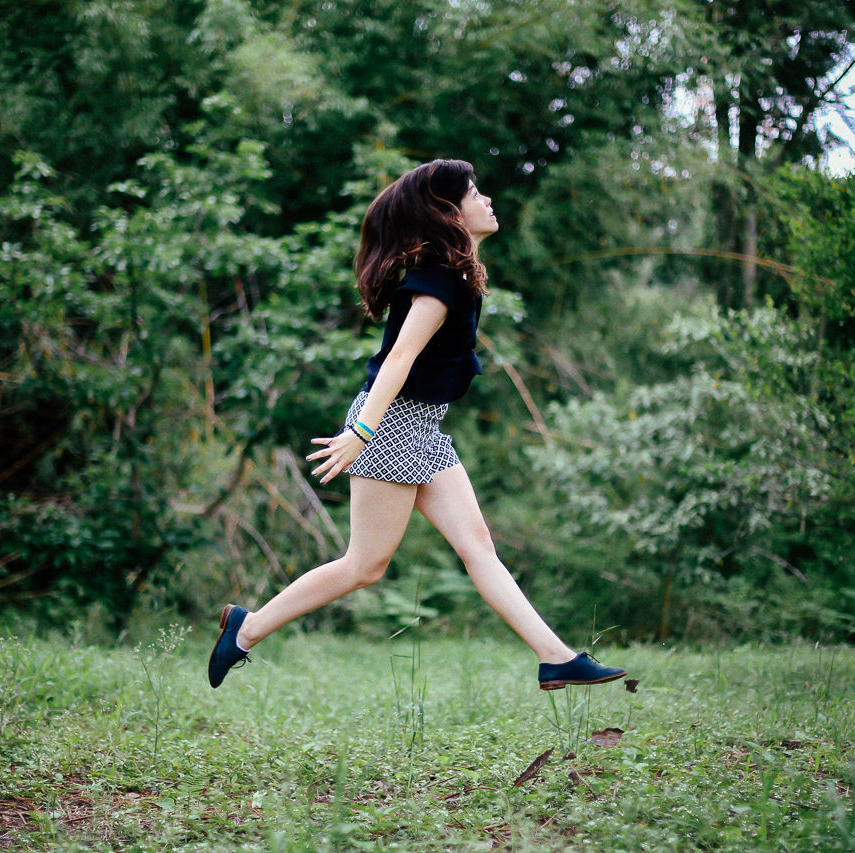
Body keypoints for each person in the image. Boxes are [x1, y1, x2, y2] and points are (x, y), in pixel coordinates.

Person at [209, 159, 625, 692]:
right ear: (450, 212)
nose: (488, 200)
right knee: (364, 565)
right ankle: (247, 629)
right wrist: (361, 432)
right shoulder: (433, 282)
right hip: (392, 424)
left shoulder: (456, 273)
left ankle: (555, 657)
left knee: (478, 547)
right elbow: (399, 359)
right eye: (475, 192)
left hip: (423, 426)